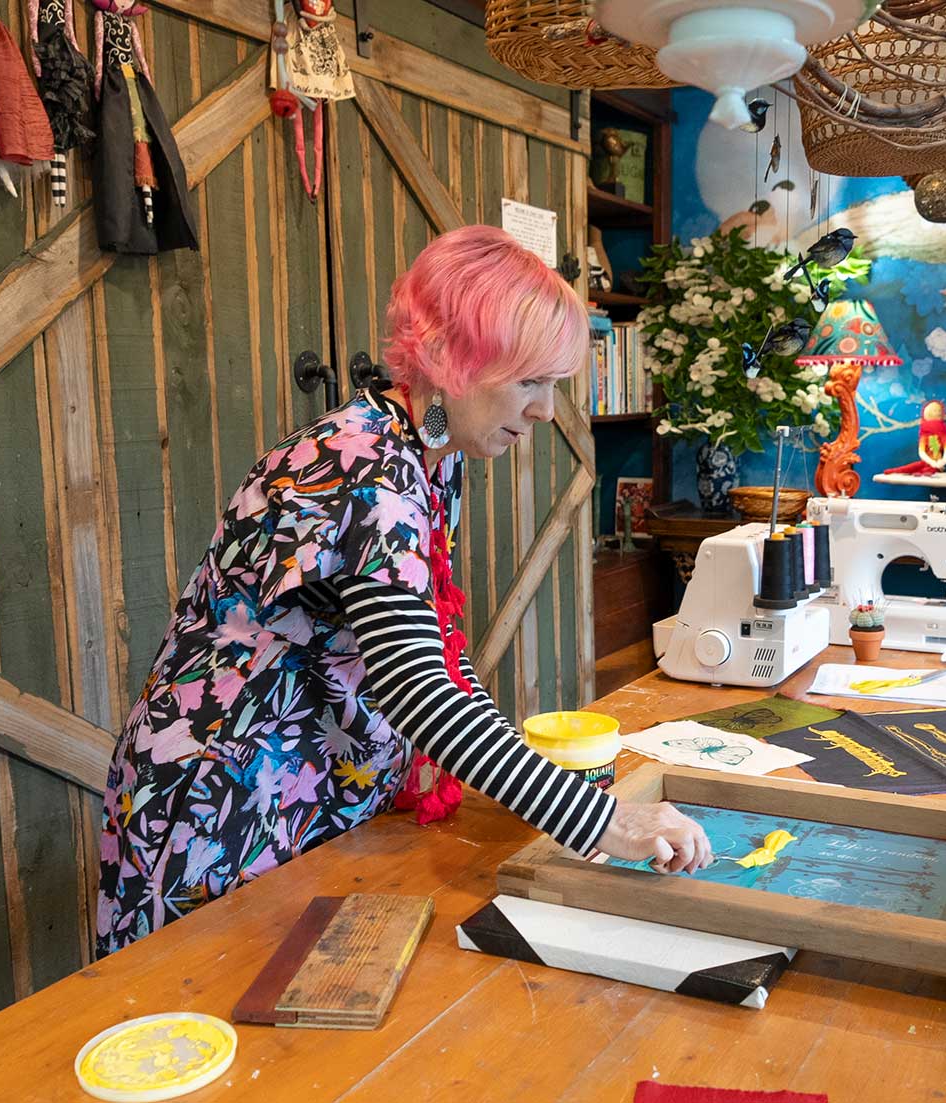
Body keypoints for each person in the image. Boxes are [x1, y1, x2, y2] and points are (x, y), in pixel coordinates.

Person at [95, 226, 710, 954]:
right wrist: (602, 821)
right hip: (220, 807)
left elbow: (437, 647)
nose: (546, 411)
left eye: (554, 384)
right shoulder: (367, 469)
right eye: (529, 382)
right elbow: (418, 687)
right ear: (447, 356)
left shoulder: (429, 453)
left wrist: (551, 792)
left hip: (300, 789)